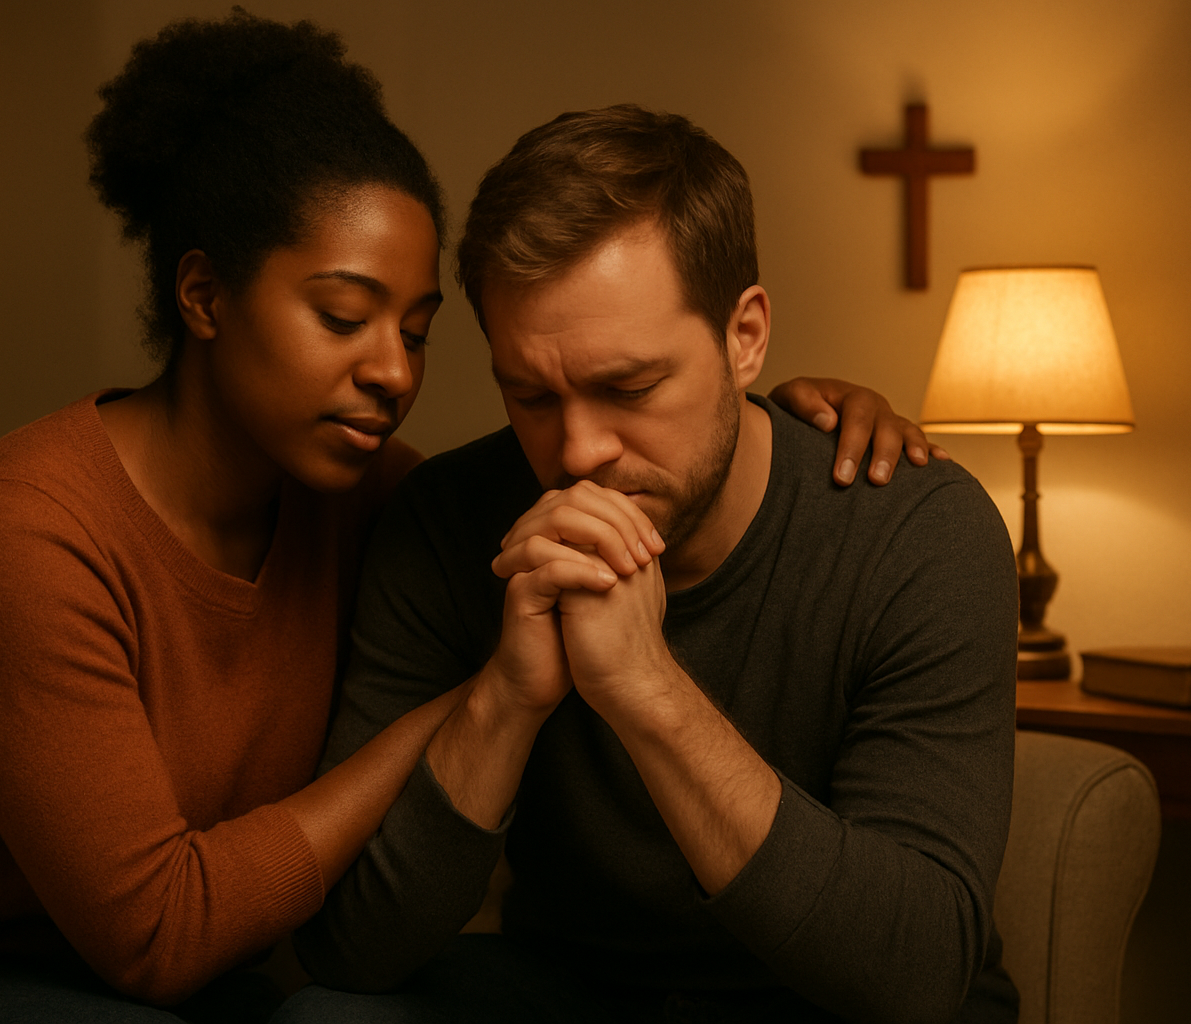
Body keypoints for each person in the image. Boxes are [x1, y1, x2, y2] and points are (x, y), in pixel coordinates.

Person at [0, 13, 933, 1024]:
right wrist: (488, 690)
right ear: (204, 296)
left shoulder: (374, 499)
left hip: (206, 983)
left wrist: (778, 419)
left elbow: (689, 457)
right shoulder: (23, 533)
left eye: (417, 328)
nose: (394, 371)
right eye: (343, 316)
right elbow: (161, 935)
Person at [284, 106, 1019, 1024]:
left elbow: (917, 976)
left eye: (629, 387)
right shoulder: (445, 521)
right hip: (580, 992)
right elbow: (349, 947)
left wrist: (645, 688)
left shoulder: (920, 533)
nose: (578, 451)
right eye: (531, 396)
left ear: (745, 337)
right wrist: (506, 698)